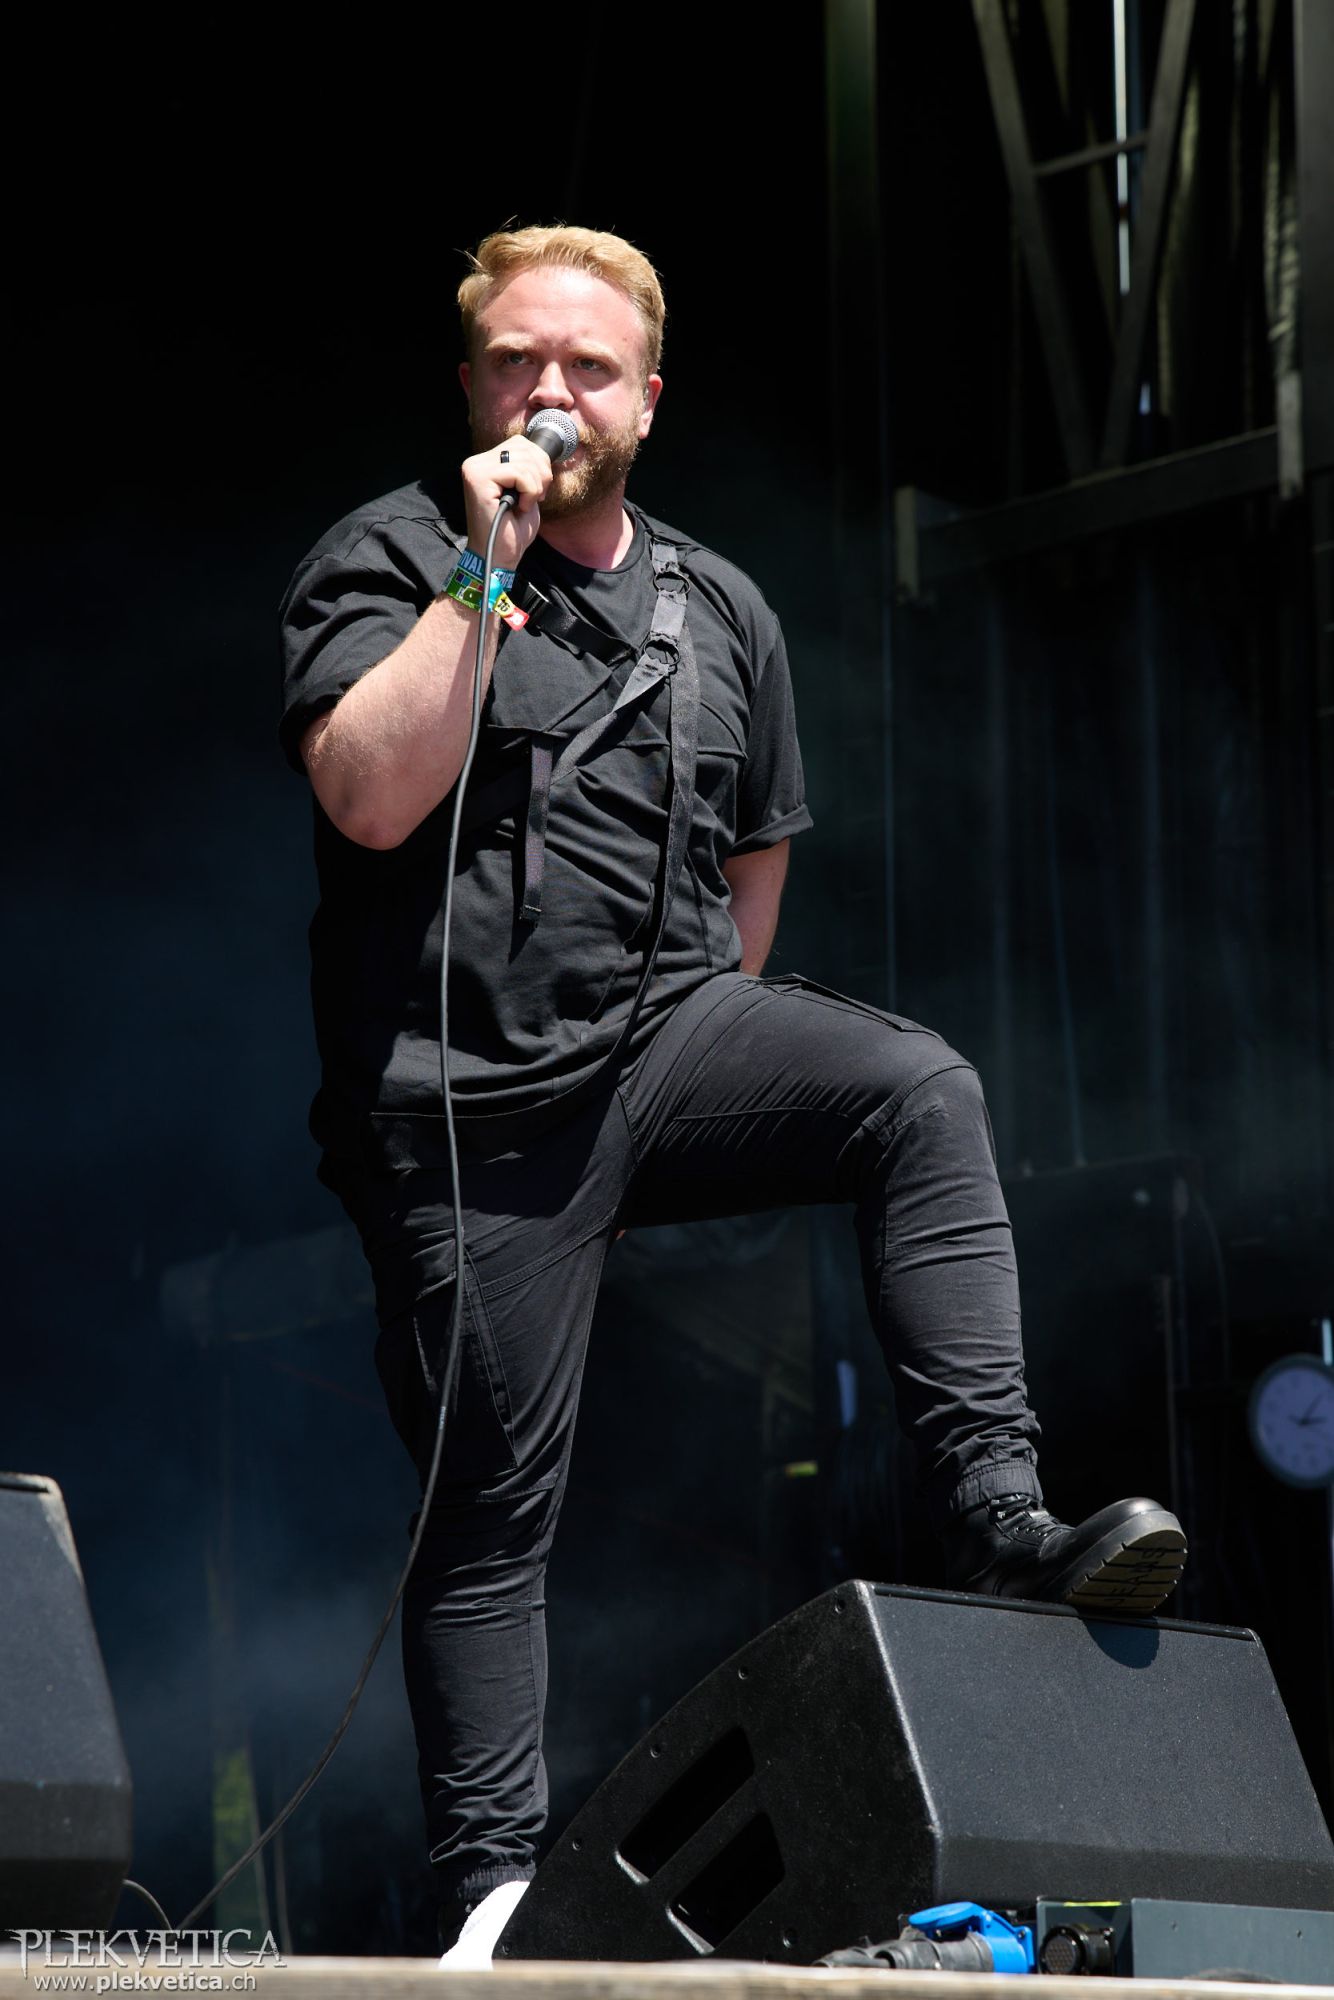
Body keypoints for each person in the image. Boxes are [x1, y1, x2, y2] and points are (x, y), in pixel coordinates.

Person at [278, 225, 1187, 1963]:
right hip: (467, 1112)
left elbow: (750, 869)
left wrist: (699, 1095)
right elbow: (373, 801)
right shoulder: (390, 555)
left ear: (648, 399)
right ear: (469, 386)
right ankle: (489, 1892)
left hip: (666, 1045)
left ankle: (1001, 1516)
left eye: (586, 365)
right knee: (489, 1509)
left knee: (915, 1089)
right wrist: (478, 570)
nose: (549, 392)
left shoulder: (719, 607)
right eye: (515, 363)